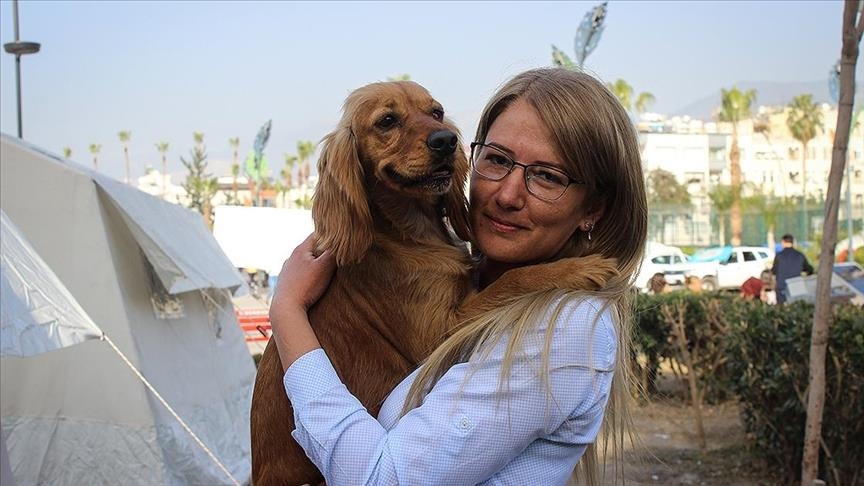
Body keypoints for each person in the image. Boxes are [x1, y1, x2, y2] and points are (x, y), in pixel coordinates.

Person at [269, 68, 648, 485]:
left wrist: (287, 310)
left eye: (547, 176)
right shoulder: (374, 265)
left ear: (593, 209)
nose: (507, 195)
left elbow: (385, 478)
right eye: (498, 160)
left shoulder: (568, 327)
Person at [771, 233, 814, 304]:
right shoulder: (800, 255)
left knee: (782, 309)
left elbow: (774, 271)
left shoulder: (779, 256)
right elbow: (809, 269)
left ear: (783, 242)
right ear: (793, 242)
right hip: (796, 286)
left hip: (782, 288)